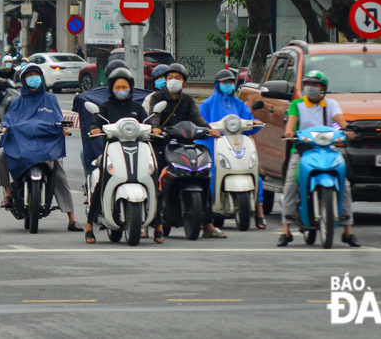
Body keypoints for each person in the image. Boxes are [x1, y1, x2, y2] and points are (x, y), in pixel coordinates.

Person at [0, 64, 83, 231]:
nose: (33, 78)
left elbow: (57, 118)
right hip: (21, 143)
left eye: (36, 75)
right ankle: (8, 194)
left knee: (60, 173)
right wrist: (5, 127)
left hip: (46, 144)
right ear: (24, 80)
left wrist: (62, 129)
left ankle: (72, 218)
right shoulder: (17, 102)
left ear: (41, 78)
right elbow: (8, 119)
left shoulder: (50, 99)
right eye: (29, 76)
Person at [278, 71, 361, 247]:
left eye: (315, 85)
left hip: (328, 150)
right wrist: (289, 131)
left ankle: (348, 231)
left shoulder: (331, 104)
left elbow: (341, 122)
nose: (311, 88)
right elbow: (291, 122)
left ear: (323, 88)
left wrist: (348, 130)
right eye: (308, 84)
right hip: (302, 150)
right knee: (291, 183)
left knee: (344, 185)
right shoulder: (297, 104)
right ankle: (286, 230)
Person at [145, 63, 224, 238]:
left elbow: (196, 117)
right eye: (170, 77)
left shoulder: (187, 99)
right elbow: (154, 117)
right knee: (152, 176)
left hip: (185, 145)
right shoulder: (157, 98)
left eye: (178, 78)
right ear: (165, 80)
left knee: (203, 175)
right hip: (162, 145)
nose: (173, 81)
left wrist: (208, 129)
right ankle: (145, 223)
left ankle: (208, 224)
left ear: (184, 82)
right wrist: (155, 128)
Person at [85, 67, 160, 243]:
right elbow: (95, 122)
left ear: (130, 87)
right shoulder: (105, 107)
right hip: (112, 150)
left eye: (124, 86)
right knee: (103, 182)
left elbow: (146, 123)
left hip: (138, 149)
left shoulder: (137, 108)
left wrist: (154, 129)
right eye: (117, 87)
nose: (121, 90)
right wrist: (94, 128)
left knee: (153, 178)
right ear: (111, 88)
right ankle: (89, 225)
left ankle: (158, 225)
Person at [198, 69, 267, 229]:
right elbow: (200, 122)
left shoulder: (239, 104)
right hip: (215, 145)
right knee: (210, 173)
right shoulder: (208, 104)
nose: (228, 85)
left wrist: (254, 122)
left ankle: (259, 210)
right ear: (217, 84)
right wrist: (207, 130)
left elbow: (248, 120)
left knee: (253, 171)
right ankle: (209, 208)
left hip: (237, 143)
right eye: (225, 82)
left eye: (230, 82)